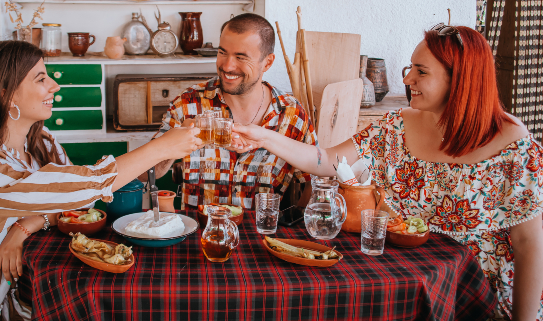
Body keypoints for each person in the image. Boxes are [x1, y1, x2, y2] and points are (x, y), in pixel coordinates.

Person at [230, 24, 543, 320]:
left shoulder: (513, 145)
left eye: (421, 72)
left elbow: (529, 245)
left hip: (475, 295)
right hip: (409, 280)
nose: (407, 80)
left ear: (461, 79)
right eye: (410, 69)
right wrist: (264, 137)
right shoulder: (398, 125)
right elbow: (326, 160)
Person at [0, 40, 203, 321]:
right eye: (41, 79)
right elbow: (85, 187)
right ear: (5, 94)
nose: (55, 86)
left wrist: (26, 225)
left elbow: (74, 206)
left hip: (20, 298)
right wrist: (162, 146)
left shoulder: (42, 144)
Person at [147, 13, 318, 209]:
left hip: (262, 236)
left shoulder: (292, 113)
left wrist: (299, 225)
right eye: (222, 52)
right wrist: (171, 147)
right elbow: (148, 171)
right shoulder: (188, 103)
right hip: (198, 234)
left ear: (268, 62)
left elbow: (313, 180)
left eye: (241, 57)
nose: (227, 65)